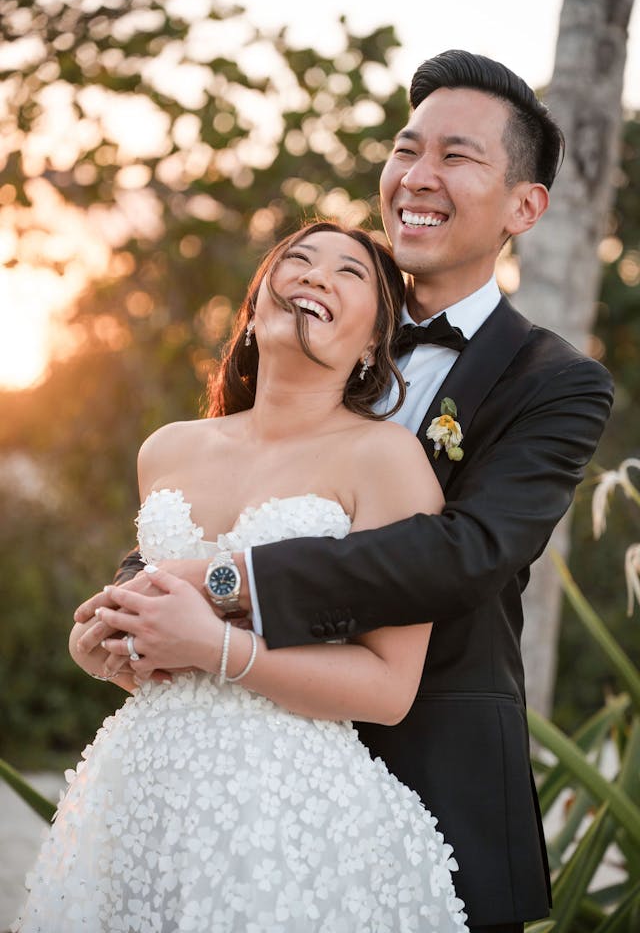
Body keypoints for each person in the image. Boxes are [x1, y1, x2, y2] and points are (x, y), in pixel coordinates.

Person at [73, 50, 615, 933]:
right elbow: (225, 482)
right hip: (223, 782)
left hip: (429, 771)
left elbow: (470, 553)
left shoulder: (555, 380)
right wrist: (131, 611)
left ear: (526, 205)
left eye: (457, 156)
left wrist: (226, 587)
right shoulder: (317, 317)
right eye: (407, 148)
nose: (418, 175)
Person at [16, 222, 469, 932]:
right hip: (140, 789)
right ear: (256, 309)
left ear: (374, 345)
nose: (317, 276)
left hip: (283, 811)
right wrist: (105, 647)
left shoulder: (388, 460)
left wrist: (218, 649)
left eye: (349, 273)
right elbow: (155, 620)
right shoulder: (167, 449)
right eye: (298, 261)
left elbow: (389, 690)